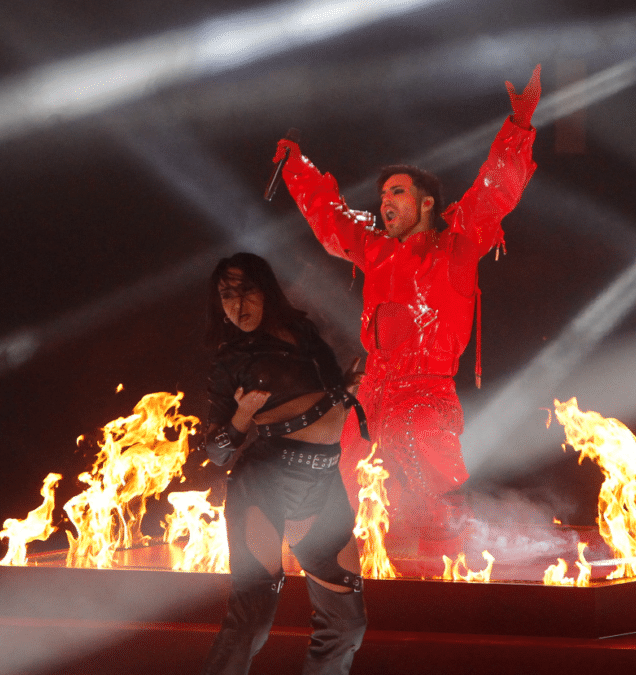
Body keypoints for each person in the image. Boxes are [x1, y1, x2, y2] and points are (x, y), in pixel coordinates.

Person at [274, 66, 541, 557]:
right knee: (366, 505)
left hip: (424, 395)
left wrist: (519, 125)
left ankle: (440, 588)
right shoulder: (374, 250)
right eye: (382, 195)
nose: (385, 201)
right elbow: (329, 217)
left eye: (397, 192)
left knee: (430, 510)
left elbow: (494, 191)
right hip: (374, 393)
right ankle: (378, 589)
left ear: (428, 204)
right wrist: (296, 166)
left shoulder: (456, 246)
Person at [200, 252, 367, 675]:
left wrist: (347, 387)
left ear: (267, 290)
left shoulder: (305, 333)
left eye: (246, 291)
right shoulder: (230, 359)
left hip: (323, 482)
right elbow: (217, 452)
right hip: (266, 482)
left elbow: (328, 389)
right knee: (253, 617)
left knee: (347, 625)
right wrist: (241, 416)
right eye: (226, 296)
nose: (237, 306)